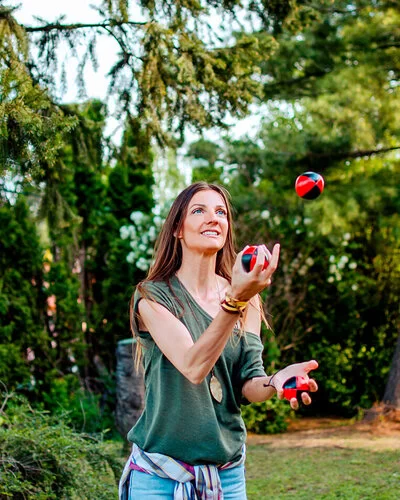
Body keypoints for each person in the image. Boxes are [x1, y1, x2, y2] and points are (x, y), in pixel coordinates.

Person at [119, 181, 318, 499]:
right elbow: (193, 365)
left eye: (221, 211)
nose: (213, 217)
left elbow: (247, 385)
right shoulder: (152, 297)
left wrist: (274, 381)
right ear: (178, 230)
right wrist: (235, 301)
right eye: (199, 210)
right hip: (158, 478)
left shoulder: (246, 297)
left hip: (226, 477)